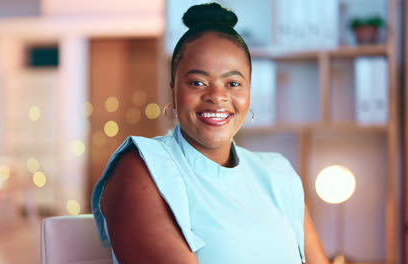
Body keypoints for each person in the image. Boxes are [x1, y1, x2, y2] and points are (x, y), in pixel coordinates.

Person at [91, 3, 329, 263]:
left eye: (233, 83)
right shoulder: (142, 167)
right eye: (197, 82)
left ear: (249, 91)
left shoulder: (278, 173)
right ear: (173, 89)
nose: (217, 96)